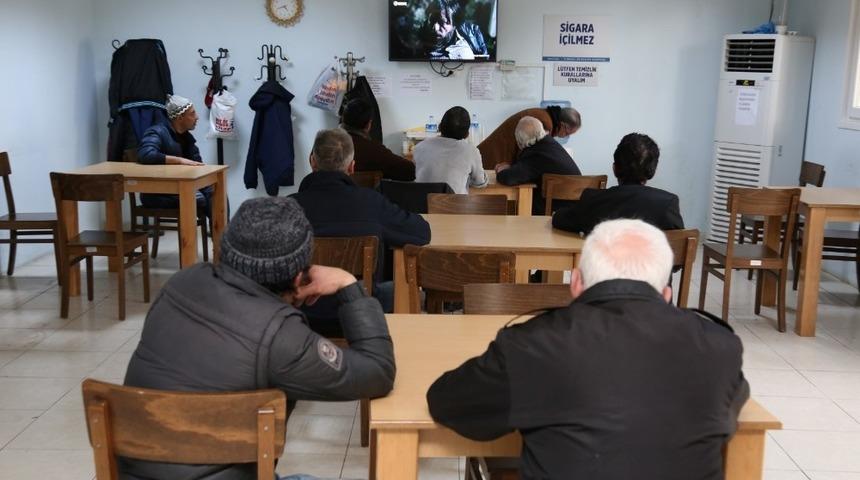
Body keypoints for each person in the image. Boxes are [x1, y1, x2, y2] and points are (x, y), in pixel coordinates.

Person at [427, 219, 750, 480]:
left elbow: (447, 402)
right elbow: (735, 397)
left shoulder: (533, 344)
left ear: (577, 283)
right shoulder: (719, 347)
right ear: (666, 294)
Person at [122, 196, 396, 480]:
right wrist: (348, 285)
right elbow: (378, 371)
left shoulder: (180, 283)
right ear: (298, 275)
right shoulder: (281, 336)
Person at [291, 128, 431, 334]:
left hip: (302, 313)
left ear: (312, 161)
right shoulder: (371, 202)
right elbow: (421, 234)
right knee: (406, 291)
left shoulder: (289, 207)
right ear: (351, 167)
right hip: (360, 310)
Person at [553, 133, 684, 235]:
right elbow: (678, 254)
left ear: (615, 168)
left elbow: (559, 220)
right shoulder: (667, 204)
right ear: (652, 171)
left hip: (603, 269)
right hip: (650, 270)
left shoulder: (593, 199)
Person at [136, 94, 211, 215]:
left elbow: (197, 164)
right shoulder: (157, 131)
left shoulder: (187, 137)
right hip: (157, 192)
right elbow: (146, 154)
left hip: (180, 187)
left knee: (216, 192)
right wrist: (180, 160)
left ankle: (223, 233)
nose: (197, 117)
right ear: (180, 117)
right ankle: (198, 234)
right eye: (192, 114)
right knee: (198, 198)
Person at [496, 116, 581, 215]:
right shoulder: (549, 144)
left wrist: (502, 170)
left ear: (520, 141)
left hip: (558, 214)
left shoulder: (536, 154)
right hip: (574, 208)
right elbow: (527, 168)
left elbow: (508, 178)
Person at [414, 106, 488, 194]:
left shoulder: (420, 147)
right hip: (455, 206)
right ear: (467, 134)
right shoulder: (471, 151)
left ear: (440, 127)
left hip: (422, 205)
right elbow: (480, 182)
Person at [478, 106, 581, 169]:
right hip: (493, 159)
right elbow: (531, 156)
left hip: (494, 155)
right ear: (563, 125)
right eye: (568, 133)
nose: (565, 136)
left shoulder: (544, 115)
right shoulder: (545, 123)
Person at [340, 98, 415, 181]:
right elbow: (410, 171)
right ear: (368, 125)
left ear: (343, 119)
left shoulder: (327, 144)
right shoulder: (374, 150)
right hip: (366, 193)